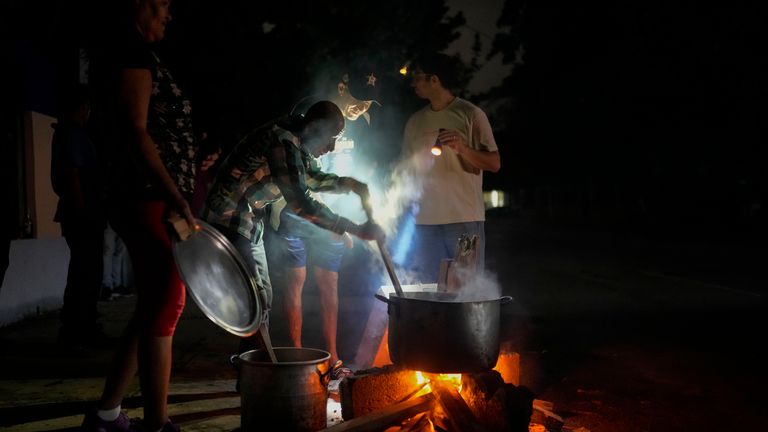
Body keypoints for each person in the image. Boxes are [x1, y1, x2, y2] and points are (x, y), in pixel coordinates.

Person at [201, 100, 385, 375]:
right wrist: (354, 228)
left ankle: (250, 369)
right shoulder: (282, 140)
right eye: (332, 139)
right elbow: (301, 201)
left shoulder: (295, 142)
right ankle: (256, 373)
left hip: (249, 221)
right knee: (257, 298)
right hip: (230, 217)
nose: (332, 147)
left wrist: (350, 185)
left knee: (261, 299)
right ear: (314, 127)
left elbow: (311, 177)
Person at [81, 1, 197, 431]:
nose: (170, 14)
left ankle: (107, 414)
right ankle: (157, 424)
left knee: (153, 305)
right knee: (168, 301)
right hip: (147, 195)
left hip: (151, 193)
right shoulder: (128, 52)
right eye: (164, 5)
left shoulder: (131, 52)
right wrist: (174, 192)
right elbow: (135, 127)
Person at [267, 70, 383, 377]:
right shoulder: (312, 115)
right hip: (297, 211)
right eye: (360, 101)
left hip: (330, 213)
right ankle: (296, 355)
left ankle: (332, 357)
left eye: (369, 104)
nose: (364, 109)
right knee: (295, 282)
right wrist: (345, 225)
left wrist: (349, 208)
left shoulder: (363, 128)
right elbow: (299, 183)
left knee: (329, 283)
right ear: (343, 90)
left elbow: (357, 168)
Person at [401, 53, 501, 283]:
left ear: (434, 80)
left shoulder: (471, 114)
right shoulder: (415, 122)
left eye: (417, 78)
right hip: (425, 224)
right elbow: (405, 170)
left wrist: (463, 149)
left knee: (465, 293)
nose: (413, 83)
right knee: (430, 291)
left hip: (463, 220)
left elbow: (494, 163)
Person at [49, 84, 111, 348]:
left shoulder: (68, 133)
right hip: (82, 213)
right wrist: (84, 210)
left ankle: (81, 326)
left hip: (80, 212)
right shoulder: (72, 134)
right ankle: (78, 329)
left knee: (85, 270)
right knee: (86, 272)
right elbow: (73, 176)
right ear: (82, 107)